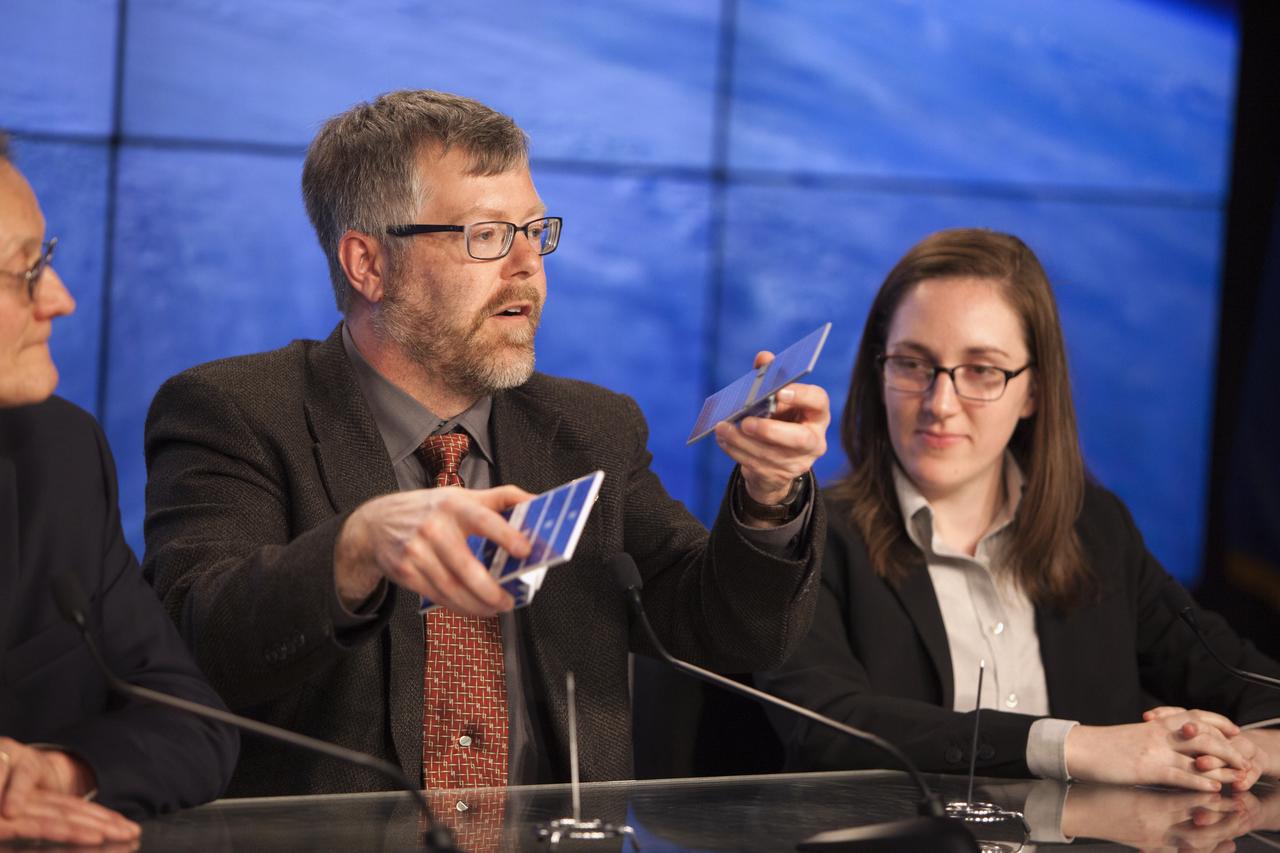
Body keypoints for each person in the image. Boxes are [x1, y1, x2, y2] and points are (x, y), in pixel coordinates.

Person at [142, 90, 828, 813]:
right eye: (489, 235)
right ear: (368, 263)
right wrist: (356, 549)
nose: (528, 265)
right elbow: (198, 642)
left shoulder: (591, 427)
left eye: (535, 230)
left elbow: (729, 633)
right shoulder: (236, 412)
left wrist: (769, 494)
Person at [757, 227, 1280, 791]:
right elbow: (827, 729)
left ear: (1033, 391)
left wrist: (1231, 750)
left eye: (982, 370)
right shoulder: (803, 537)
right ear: (878, 373)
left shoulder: (1097, 529)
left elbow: (1254, 690)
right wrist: (1073, 746)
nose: (940, 403)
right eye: (912, 364)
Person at [0, 132, 238, 845]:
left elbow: (194, 725)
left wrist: (54, 771)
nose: (61, 300)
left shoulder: (59, 455)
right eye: (22, 272)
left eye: (46, 260)